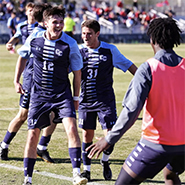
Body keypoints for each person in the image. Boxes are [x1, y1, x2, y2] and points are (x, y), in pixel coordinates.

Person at [86, 17, 185, 185]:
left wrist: (109, 139)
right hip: (183, 147)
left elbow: (131, 111)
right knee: (170, 174)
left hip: (155, 145)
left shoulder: (148, 68)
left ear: (152, 40)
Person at [14, 6, 87, 185]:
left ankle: (77, 174)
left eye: (61, 22)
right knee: (32, 134)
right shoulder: (35, 38)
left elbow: (77, 73)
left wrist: (76, 98)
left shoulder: (70, 44)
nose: (59, 25)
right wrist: (17, 80)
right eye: (55, 22)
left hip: (62, 94)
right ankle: (27, 179)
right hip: (39, 95)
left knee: (71, 128)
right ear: (46, 23)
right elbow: (22, 56)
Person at [78, 19, 137, 182]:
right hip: (85, 101)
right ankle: (86, 170)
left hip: (105, 101)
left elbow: (130, 66)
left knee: (110, 136)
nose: (85, 37)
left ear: (97, 34)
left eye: (89, 34)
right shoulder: (77, 51)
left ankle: (105, 161)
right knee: (86, 135)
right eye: (83, 34)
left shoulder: (110, 50)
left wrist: (144, 83)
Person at [0, 3, 55, 164]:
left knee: (55, 115)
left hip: (50, 81)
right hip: (32, 78)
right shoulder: (35, 33)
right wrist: (16, 81)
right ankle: (4, 145)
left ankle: (42, 147)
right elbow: (22, 56)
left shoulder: (55, 34)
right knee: (23, 115)